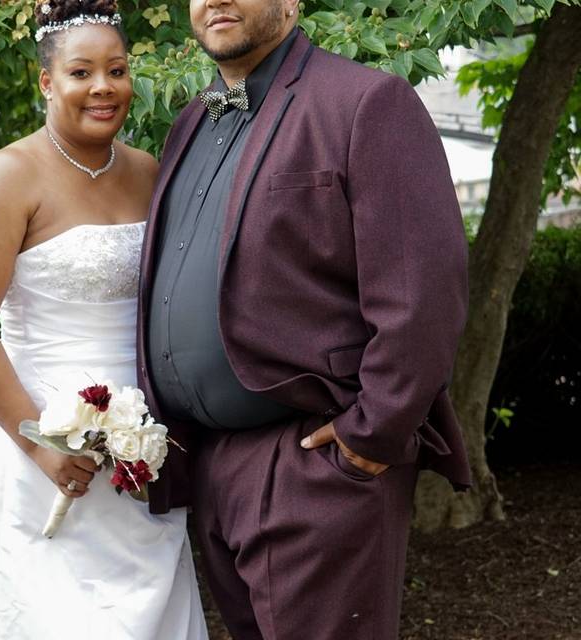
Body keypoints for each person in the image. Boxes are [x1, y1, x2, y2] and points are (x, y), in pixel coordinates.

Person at [138, 0, 471, 638]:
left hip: (311, 464)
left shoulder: (367, 102)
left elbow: (423, 292)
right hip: (209, 466)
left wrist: (370, 437)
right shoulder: (188, 124)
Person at [0, 1, 208, 638]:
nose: (103, 87)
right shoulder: (6, 177)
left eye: (117, 69)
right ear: (46, 82)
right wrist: (39, 444)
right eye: (82, 72)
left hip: (145, 444)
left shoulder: (151, 173)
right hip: (35, 436)